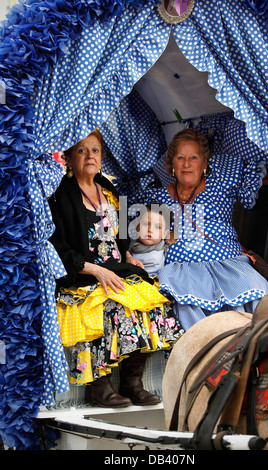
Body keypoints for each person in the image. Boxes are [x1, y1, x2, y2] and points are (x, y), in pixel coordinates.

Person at [48, 129, 184, 408]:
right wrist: (95, 271)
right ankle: (98, 387)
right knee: (112, 306)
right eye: (82, 150)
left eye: (95, 150)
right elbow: (57, 246)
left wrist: (128, 254)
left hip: (117, 268)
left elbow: (121, 236)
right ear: (70, 157)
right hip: (82, 274)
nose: (89, 156)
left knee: (156, 303)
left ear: (102, 157)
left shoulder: (111, 191)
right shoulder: (59, 194)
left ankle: (132, 383)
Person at [142, 129, 268, 331]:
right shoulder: (156, 197)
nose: (187, 164)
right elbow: (139, 233)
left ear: (205, 163)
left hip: (229, 264)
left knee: (257, 294)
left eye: (194, 157)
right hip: (181, 271)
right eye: (180, 158)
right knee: (184, 309)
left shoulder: (221, 182)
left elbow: (267, 176)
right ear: (172, 164)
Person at [128, 203, 170, 277]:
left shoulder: (154, 259)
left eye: (157, 227)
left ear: (164, 234)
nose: (150, 230)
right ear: (137, 227)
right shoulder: (130, 242)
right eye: (146, 224)